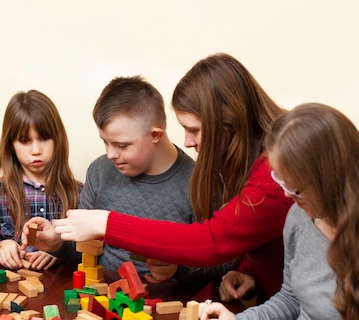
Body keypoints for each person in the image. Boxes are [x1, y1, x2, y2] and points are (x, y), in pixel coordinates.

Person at [24, 53, 293, 304]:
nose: (187, 141)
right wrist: (58, 244)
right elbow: (252, 237)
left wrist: (107, 223)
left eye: (194, 130)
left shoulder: (271, 177)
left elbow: (214, 242)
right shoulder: (100, 171)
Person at [199, 103, 355, 320]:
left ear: (330, 180)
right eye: (279, 182)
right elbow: (292, 298)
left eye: (294, 189)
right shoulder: (300, 216)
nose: (286, 198)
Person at [42, 75, 229, 281]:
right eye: (105, 142)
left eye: (122, 145)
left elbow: (222, 264)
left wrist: (177, 269)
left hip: (166, 305)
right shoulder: (99, 171)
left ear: (155, 135)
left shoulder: (201, 183)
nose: (111, 154)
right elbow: (85, 250)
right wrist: (56, 244)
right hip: (103, 296)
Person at [0, 89, 82, 271]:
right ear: (11, 145)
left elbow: (88, 249)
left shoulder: (80, 193)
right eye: (25, 141)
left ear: (58, 139)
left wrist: (58, 250)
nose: (36, 150)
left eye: (44, 138)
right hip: (12, 290)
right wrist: (3, 246)